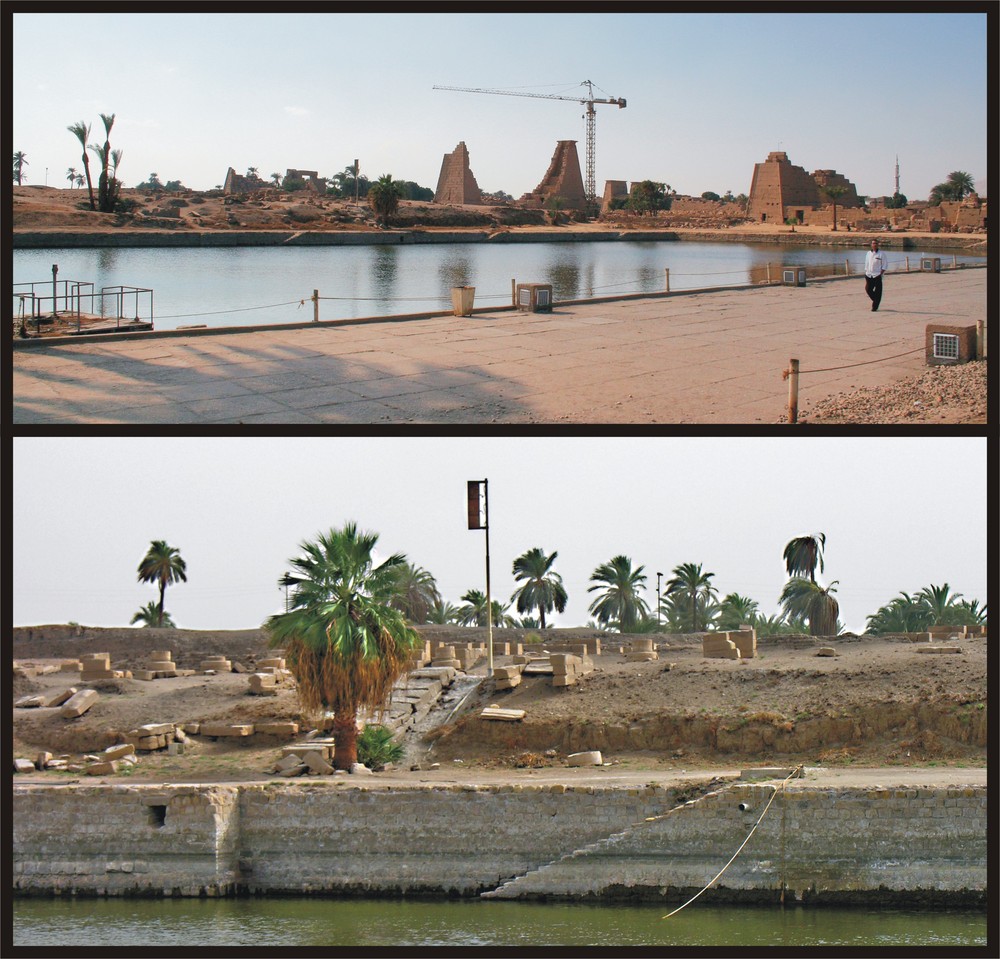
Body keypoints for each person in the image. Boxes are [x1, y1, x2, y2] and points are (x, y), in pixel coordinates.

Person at [864, 239, 888, 311]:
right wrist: (866, 271)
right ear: (871, 245)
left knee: (878, 291)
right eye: (873, 243)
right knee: (868, 289)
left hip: (877, 275)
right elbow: (866, 263)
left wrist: (880, 273)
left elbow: (885, 265)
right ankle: (876, 300)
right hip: (869, 275)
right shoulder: (868, 253)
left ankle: (875, 307)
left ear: (877, 245)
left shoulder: (881, 254)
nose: (874, 245)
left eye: (876, 243)